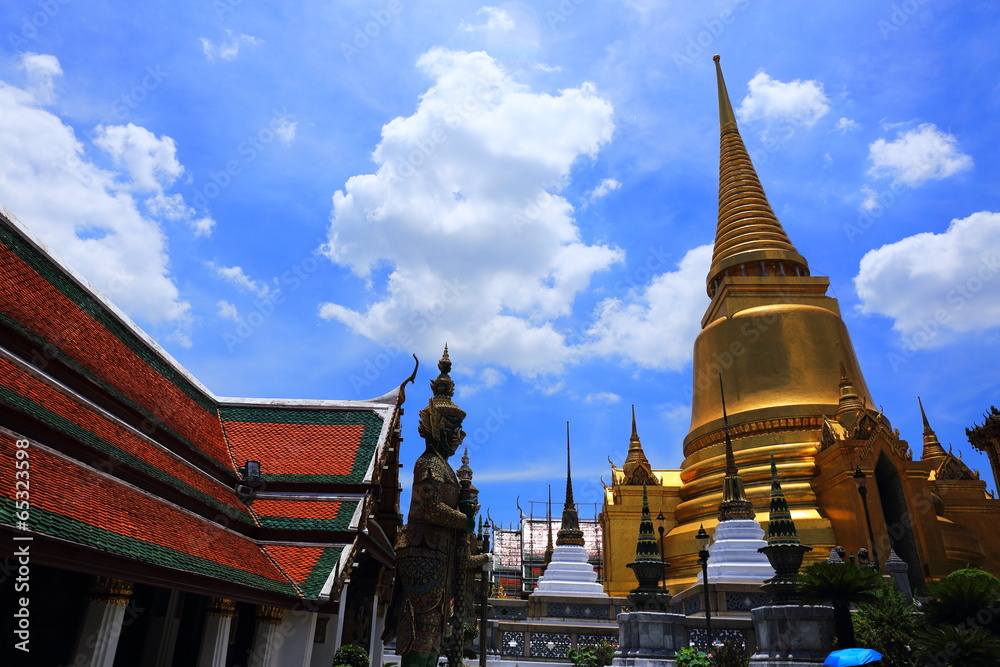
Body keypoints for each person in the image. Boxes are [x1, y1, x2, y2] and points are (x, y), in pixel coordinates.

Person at [386, 347, 478, 667]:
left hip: (440, 554)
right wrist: (464, 521)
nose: (459, 436)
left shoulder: (445, 467)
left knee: (435, 631)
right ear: (437, 428)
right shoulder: (429, 464)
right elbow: (430, 509)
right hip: (423, 553)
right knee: (422, 627)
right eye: (453, 429)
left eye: (459, 430)